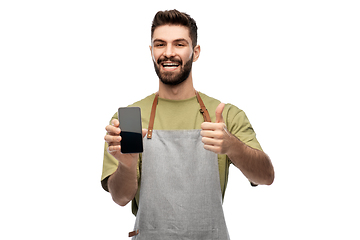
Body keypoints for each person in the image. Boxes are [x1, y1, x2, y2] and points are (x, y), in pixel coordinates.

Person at [101, 9, 274, 239]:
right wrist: (127, 165)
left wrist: (232, 146)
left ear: (196, 51)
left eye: (179, 44)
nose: (168, 53)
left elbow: (266, 177)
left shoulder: (225, 115)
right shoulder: (130, 119)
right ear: (151, 51)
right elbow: (120, 198)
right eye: (160, 44)